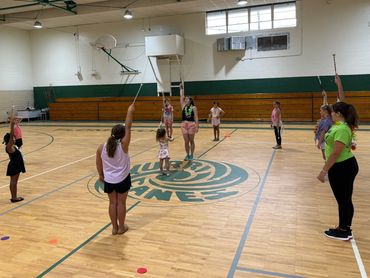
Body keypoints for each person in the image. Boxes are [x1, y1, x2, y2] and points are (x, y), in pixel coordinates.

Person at [317, 102, 359, 241]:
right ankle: (345, 228)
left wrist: (324, 171)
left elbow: (335, 153)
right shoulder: (340, 126)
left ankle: (343, 231)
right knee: (345, 199)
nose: (331, 113)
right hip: (343, 166)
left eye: (333, 112)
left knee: (343, 200)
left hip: (342, 167)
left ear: (339, 114)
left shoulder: (342, 129)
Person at [96, 104, 135, 235]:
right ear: (123, 135)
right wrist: (130, 111)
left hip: (109, 180)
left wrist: (101, 176)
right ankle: (121, 228)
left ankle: (114, 228)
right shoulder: (124, 145)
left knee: (112, 203)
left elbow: (98, 165)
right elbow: (128, 126)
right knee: (121, 204)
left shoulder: (101, 147)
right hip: (123, 179)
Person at [2, 113, 25, 203]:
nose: (14, 138)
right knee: (14, 182)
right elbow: (12, 135)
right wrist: (12, 126)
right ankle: (14, 198)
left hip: (16, 164)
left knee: (14, 182)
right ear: (10, 140)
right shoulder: (9, 146)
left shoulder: (12, 146)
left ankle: (14, 197)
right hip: (14, 165)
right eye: (13, 138)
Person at [180, 83, 199, 161]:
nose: (185, 100)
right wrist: (181, 89)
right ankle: (187, 154)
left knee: (191, 141)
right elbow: (181, 97)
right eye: (185, 99)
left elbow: (196, 117)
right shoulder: (183, 106)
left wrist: (197, 126)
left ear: (190, 100)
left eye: (187, 99)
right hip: (184, 124)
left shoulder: (194, 107)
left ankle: (192, 154)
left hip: (191, 125)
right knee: (186, 141)